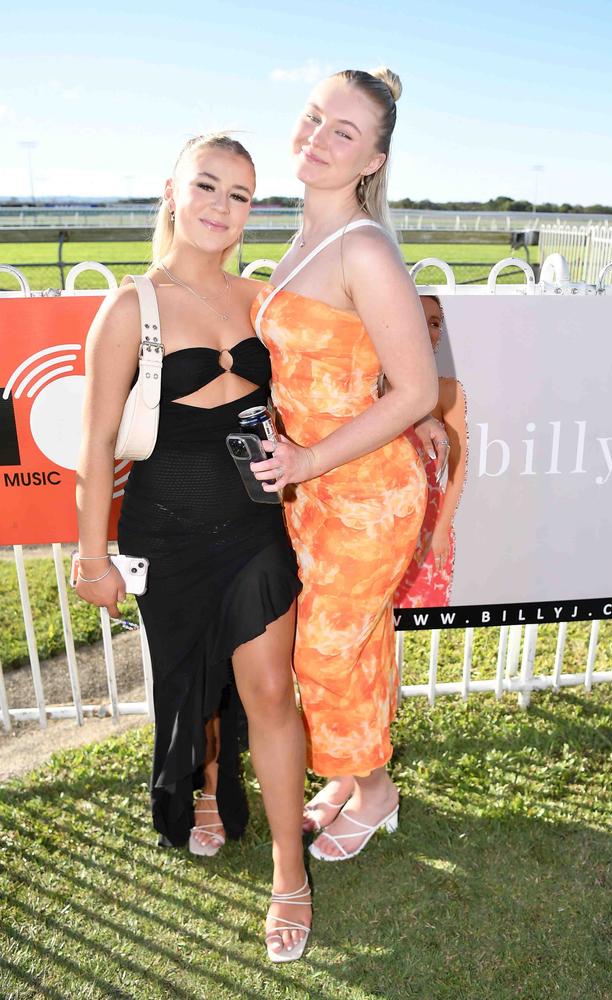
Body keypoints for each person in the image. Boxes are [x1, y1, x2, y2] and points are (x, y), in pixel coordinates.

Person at [75, 133, 310, 962]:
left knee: (271, 688)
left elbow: (312, 397)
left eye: (240, 194)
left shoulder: (264, 301)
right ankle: (206, 786)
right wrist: (90, 554)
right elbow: (99, 439)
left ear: (252, 210)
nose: (221, 205)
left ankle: (291, 874)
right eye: (207, 186)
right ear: (172, 192)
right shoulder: (129, 306)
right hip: (164, 533)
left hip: (253, 528)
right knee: (194, 690)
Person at [251, 68, 442, 861]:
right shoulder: (302, 238)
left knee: (324, 650)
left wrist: (307, 457)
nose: (317, 138)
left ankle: (375, 791)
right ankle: (352, 774)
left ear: (371, 161)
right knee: (352, 644)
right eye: (313, 117)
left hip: (365, 493)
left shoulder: (362, 247)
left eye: (344, 132)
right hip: (314, 490)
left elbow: (416, 389)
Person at [395, 294, 468, 607]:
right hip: (377, 523)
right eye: (417, 320)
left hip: (427, 525)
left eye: (435, 323)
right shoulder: (371, 382)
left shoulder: (449, 391)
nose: (427, 330)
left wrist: (440, 529)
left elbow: (459, 462)